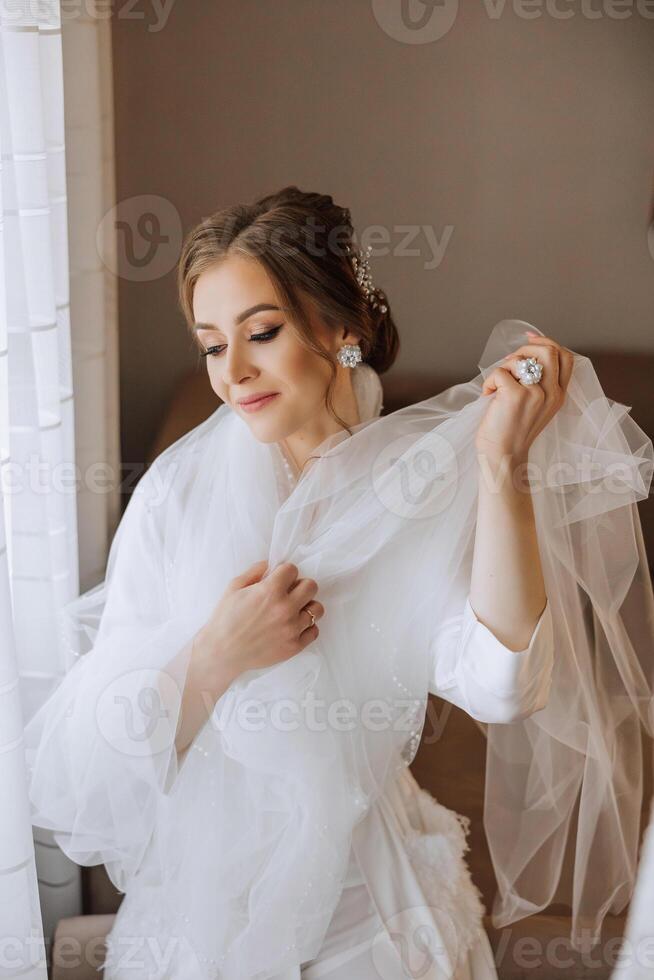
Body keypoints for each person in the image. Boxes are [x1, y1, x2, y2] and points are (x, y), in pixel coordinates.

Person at [24, 186, 654, 980]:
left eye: (261, 332)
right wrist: (217, 655)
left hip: (373, 920)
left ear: (340, 327)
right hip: (204, 920)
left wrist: (502, 469)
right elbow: (93, 763)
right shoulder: (177, 495)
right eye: (213, 345)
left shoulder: (415, 487)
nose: (235, 373)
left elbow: (502, 687)